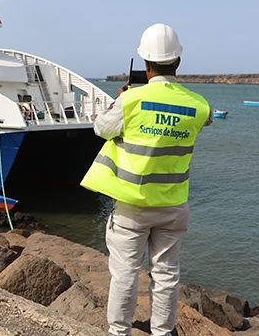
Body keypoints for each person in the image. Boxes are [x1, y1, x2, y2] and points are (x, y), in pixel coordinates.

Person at [81, 23, 211, 336]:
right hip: (173, 205)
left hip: (132, 205)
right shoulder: (198, 105)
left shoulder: (131, 100)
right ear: (178, 62)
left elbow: (102, 128)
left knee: (125, 273)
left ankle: (118, 332)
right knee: (166, 276)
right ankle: (163, 334)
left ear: (145, 64)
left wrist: (120, 99)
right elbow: (206, 119)